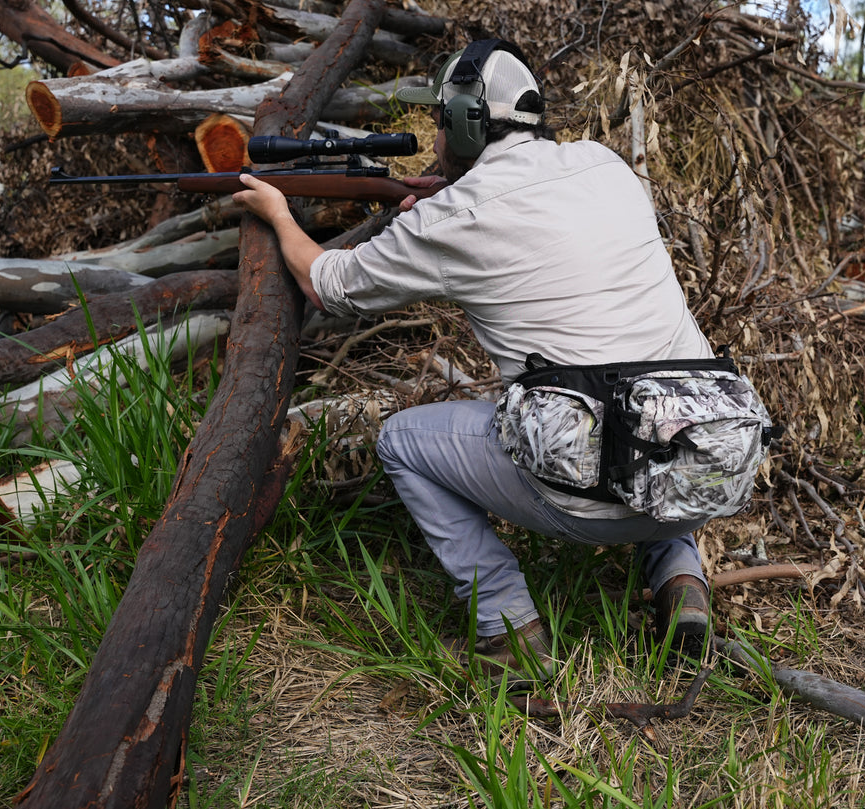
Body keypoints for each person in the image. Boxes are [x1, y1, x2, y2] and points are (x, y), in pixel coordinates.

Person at [234, 38, 718, 688]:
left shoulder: (454, 215)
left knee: (400, 441)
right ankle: (681, 579)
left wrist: (277, 212)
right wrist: (441, 205)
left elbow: (328, 283)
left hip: (592, 497)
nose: (434, 135)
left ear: (465, 120)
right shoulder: (606, 165)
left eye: (440, 119)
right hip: (706, 473)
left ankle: (509, 629)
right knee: (643, 384)